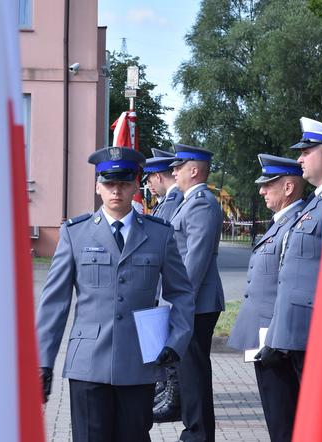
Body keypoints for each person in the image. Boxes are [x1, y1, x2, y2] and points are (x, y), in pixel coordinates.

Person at [36, 146, 195, 442]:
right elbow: (54, 304)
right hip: (88, 365)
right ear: (98, 187)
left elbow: (181, 294)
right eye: (109, 183)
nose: (116, 191)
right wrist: (43, 362)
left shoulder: (159, 234)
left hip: (139, 362)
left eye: (123, 183)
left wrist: (176, 341)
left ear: (137, 185)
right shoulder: (75, 233)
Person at [257, 117, 322, 428]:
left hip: (316, 332)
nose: (299, 159)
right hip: (296, 332)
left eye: (306, 152)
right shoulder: (315, 204)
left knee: (319, 421)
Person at [227, 154, 306, 442]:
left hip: (278, 342)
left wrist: (276, 338)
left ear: (288, 188)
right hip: (268, 339)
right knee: (277, 421)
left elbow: (289, 285)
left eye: (268, 184)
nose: (261, 191)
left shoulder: (296, 224)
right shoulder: (282, 223)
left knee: (284, 422)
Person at [169, 144, 224, 442]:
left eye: (179, 166)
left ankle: (198, 435)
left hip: (195, 303)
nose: (173, 171)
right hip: (192, 302)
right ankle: (194, 431)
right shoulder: (188, 201)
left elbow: (196, 259)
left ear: (194, 170)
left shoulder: (202, 202)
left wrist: (180, 301)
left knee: (194, 371)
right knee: (189, 370)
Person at [142, 149, 186, 422]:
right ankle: (166, 391)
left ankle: (172, 397)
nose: (148, 185)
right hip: (164, 283)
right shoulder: (167, 202)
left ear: (158, 176)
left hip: (169, 283)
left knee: (169, 346)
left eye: (149, 179)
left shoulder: (171, 204)